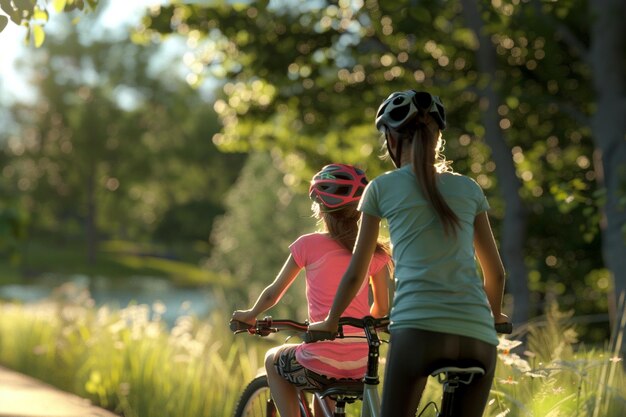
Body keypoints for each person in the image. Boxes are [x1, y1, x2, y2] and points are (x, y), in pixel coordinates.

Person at [309, 90, 508, 417]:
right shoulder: (469, 188)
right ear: (438, 137)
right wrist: (496, 316)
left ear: (391, 138)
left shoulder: (381, 189)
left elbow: (357, 272)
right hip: (478, 337)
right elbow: (496, 274)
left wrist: (331, 321)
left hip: (418, 330)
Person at [231, 163, 392, 417]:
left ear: (320, 209)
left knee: (273, 359)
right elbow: (381, 308)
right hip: (363, 363)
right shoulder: (375, 252)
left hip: (320, 358)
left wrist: (251, 313)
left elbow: (274, 293)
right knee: (322, 399)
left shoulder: (308, 245)